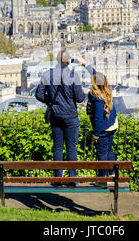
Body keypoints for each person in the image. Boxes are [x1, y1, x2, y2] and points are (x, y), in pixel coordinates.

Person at [35, 50, 85, 186]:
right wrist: (81, 94)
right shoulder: (74, 76)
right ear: (68, 61)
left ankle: (58, 178)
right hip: (70, 115)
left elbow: (38, 94)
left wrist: (50, 101)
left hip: (56, 115)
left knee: (57, 147)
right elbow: (80, 99)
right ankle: (73, 178)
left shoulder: (47, 74)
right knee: (71, 148)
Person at [78, 59, 118, 180]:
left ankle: (102, 179)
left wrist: (95, 135)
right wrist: (85, 64)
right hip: (113, 124)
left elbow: (98, 119)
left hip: (103, 129)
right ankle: (112, 174)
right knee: (109, 150)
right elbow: (97, 75)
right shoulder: (106, 90)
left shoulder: (97, 98)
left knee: (102, 154)